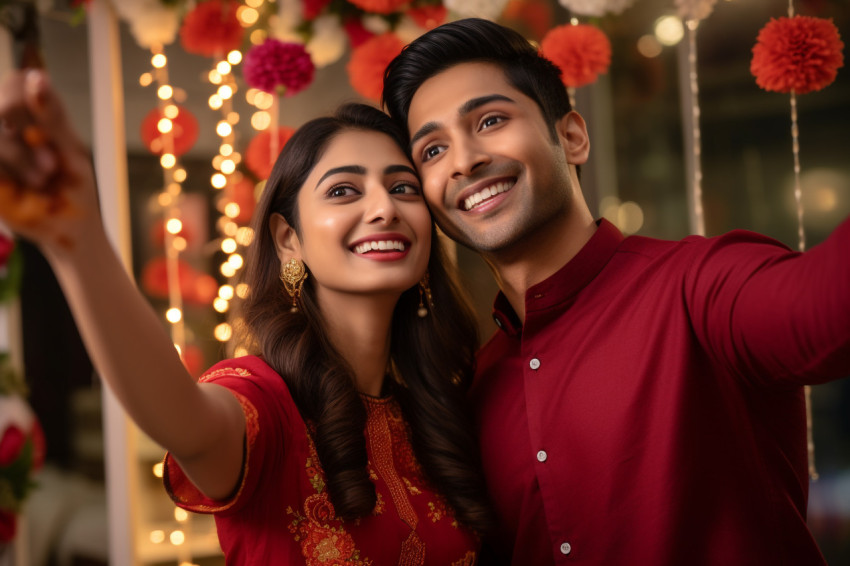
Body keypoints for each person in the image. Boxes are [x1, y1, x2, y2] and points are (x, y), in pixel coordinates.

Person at [382, 17, 850, 566]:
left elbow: (826, 306)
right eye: (432, 152)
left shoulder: (696, 286)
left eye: (489, 120)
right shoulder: (474, 393)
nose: (464, 161)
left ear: (572, 136)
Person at [0, 69, 493, 564]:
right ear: (287, 240)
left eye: (404, 188)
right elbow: (181, 418)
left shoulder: (437, 409)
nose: (384, 208)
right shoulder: (264, 402)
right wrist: (79, 242)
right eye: (344, 191)